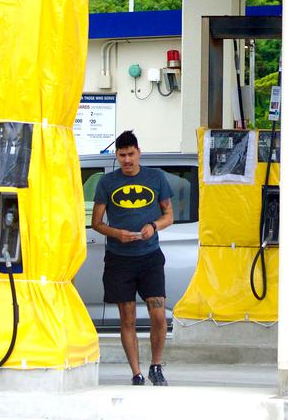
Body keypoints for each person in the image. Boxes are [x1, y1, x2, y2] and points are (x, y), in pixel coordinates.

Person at [91, 130, 174, 386]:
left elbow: (169, 215)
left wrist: (154, 226)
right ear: (116, 155)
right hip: (120, 259)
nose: (127, 159)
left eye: (131, 154)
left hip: (149, 256)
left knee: (158, 314)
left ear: (139, 152)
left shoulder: (156, 178)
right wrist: (117, 233)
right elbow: (96, 223)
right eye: (122, 155)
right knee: (127, 318)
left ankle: (156, 366)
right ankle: (136, 373)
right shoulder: (107, 183)